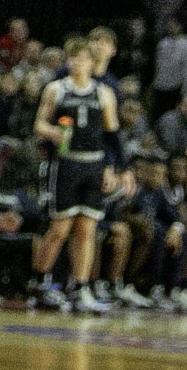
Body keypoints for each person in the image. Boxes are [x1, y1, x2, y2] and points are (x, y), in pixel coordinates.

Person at [28, 40, 119, 315]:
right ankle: (41, 282)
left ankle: (80, 287)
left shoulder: (104, 93)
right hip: (66, 164)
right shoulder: (56, 89)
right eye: (73, 59)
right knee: (59, 229)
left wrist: (112, 168)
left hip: (93, 163)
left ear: (92, 63)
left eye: (82, 59)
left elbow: (112, 136)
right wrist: (52, 132)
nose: (77, 64)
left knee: (87, 230)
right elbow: (39, 124)